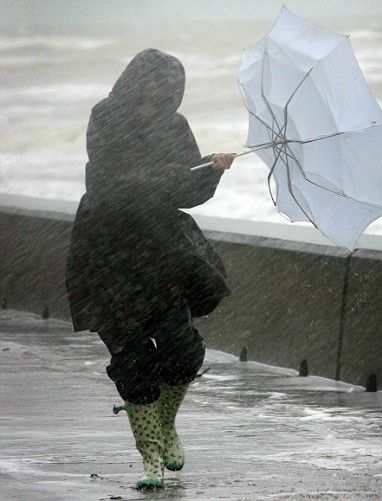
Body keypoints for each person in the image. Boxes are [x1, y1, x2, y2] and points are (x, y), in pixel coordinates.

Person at [65, 48, 235, 489]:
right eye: (150, 97)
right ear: (133, 88)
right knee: (131, 354)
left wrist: (211, 172)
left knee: (181, 349)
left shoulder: (176, 127)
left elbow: (185, 191)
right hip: (107, 254)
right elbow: (109, 183)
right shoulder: (104, 117)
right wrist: (166, 176)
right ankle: (151, 458)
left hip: (160, 253)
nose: (155, 108)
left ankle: (165, 422)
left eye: (165, 100)